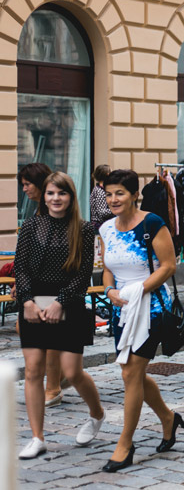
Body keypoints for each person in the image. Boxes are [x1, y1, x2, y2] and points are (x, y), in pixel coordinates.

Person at [15, 172, 105, 459]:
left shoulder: (84, 229)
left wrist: (60, 302)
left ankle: (97, 414)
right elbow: (21, 268)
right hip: (33, 303)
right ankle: (37, 438)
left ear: (71, 197)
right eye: (51, 193)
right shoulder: (30, 226)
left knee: (71, 371)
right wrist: (27, 301)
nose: (56, 199)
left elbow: (83, 274)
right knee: (33, 371)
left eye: (62, 193)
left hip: (69, 302)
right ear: (45, 196)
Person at [100, 169, 183, 472]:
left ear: (135, 194)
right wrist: (110, 290)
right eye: (108, 193)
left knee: (130, 373)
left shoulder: (152, 223)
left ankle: (125, 444)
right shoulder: (106, 228)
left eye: (120, 193)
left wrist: (138, 290)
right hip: (122, 308)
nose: (113, 199)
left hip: (150, 309)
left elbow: (169, 265)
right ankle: (168, 418)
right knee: (131, 371)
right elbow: (108, 266)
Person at [16, 163, 65, 408]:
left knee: (49, 336)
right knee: (25, 328)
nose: (24, 188)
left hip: (51, 286)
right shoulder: (37, 212)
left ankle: (54, 385)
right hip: (34, 285)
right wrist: (22, 286)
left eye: (27, 184)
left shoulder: (50, 212)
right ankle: (61, 377)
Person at [90, 164, 114, 230]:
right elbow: (102, 212)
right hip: (100, 226)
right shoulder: (100, 191)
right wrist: (116, 210)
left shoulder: (99, 189)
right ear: (107, 174)